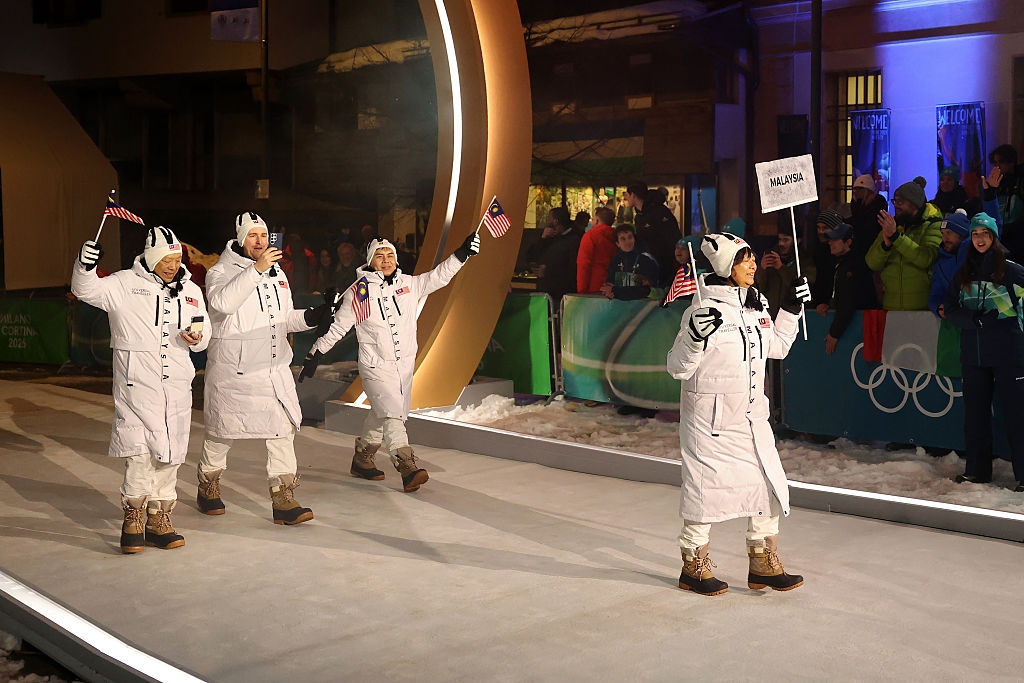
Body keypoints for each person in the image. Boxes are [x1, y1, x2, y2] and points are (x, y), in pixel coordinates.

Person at [666, 232, 810, 596]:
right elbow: (677, 368)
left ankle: (763, 562)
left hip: (751, 417)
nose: (752, 264)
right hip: (711, 422)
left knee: (768, 486)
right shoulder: (701, 307)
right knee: (704, 495)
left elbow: (775, 348)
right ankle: (693, 566)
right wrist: (694, 338)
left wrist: (791, 309)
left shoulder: (755, 304)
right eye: (744, 259)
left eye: (751, 258)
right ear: (725, 266)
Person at [301, 233, 481, 492]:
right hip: (375, 366)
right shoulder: (359, 292)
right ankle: (406, 465)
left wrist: (461, 255)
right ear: (370, 260)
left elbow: (439, 276)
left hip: (404, 366)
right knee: (393, 415)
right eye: (379, 256)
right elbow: (339, 327)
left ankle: (363, 458)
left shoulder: (409, 284)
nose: (385, 260)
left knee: (383, 412)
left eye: (390, 255)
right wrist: (315, 352)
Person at [72, 227, 210, 553]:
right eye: (166, 259)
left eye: (177, 259)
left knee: (172, 453)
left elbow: (204, 327)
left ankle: (159, 518)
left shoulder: (190, 290)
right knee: (140, 451)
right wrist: (84, 265)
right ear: (151, 257)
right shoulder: (124, 284)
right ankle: (133, 518)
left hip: (176, 383)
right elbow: (85, 290)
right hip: (137, 383)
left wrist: (198, 337)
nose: (172, 265)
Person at [198, 212, 336, 525]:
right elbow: (221, 303)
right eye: (253, 236)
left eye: (263, 236)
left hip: (273, 369)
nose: (260, 242)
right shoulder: (219, 271)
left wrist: (312, 317)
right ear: (240, 238)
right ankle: (208, 484)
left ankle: (283, 496)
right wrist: (257, 270)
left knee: (282, 430)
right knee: (222, 432)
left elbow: (284, 317)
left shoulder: (277, 273)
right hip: (235, 372)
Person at [943, 213, 1024, 492]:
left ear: (994, 238)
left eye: (985, 234)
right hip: (974, 356)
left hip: (1008, 356)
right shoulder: (963, 273)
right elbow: (949, 309)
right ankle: (977, 471)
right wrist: (973, 319)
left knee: (1017, 416)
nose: (980, 239)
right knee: (975, 416)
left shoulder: (1012, 271)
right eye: (975, 234)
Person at [865, 177, 942, 310]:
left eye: (900, 202)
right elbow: (871, 263)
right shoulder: (892, 225)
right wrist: (886, 245)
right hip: (891, 307)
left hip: (922, 309)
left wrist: (896, 237)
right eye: (895, 201)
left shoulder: (934, 225)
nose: (896, 205)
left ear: (914, 204)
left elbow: (926, 259)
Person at [817, 222, 878, 354]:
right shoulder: (839, 263)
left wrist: (834, 333)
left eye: (835, 239)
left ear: (848, 242)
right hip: (855, 329)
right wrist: (829, 305)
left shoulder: (854, 266)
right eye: (830, 239)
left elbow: (849, 301)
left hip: (861, 331)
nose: (830, 243)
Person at [628, 181, 680, 286]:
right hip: (649, 264)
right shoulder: (640, 215)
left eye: (627, 195)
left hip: (663, 265)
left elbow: (670, 237)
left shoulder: (659, 212)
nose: (626, 198)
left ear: (633, 195)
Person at [531, 206, 580, 307]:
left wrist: (548, 272)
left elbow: (572, 269)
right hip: (546, 292)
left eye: (549, 218)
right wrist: (543, 239)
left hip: (561, 295)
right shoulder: (550, 237)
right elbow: (531, 255)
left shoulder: (574, 240)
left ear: (555, 221)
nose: (546, 221)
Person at [600, 224, 659, 301]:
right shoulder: (615, 260)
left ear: (634, 239)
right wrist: (609, 292)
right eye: (623, 239)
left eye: (630, 237)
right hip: (619, 306)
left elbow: (646, 290)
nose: (627, 241)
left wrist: (616, 291)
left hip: (643, 306)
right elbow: (610, 284)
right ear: (617, 244)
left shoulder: (645, 260)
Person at [929, 210, 971, 318]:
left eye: (949, 233)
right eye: (942, 233)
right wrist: (938, 308)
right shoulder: (940, 263)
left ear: (961, 233)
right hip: (954, 320)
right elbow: (935, 295)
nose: (944, 238)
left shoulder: (976, 253)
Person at [755, 231, 804, 318]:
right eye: (780, 239)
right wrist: (761, 269)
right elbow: (757, 290)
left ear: (797, 240)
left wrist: (781, 268)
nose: (781, 243)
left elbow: (801, 286)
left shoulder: (804, 260)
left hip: (792, 316)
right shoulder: (771, 258)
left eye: (786, 240)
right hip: (768, 315)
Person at [576, 206, 618, 294]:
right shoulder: (617, 236)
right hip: (614, 287)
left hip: (594, 286)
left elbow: (584, 264)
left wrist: (582, 290)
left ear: (597, 220)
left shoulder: (590, 236)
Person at [849, 174, 886, 258]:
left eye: (859, 189)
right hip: (859, 245)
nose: (856, 191)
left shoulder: (879, 203)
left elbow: (866, 225)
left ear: (867, 190)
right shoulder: (857, 202)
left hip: (872, 244)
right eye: (855, 189)